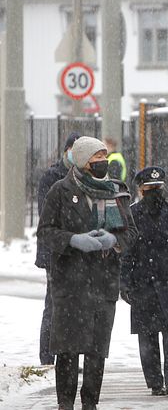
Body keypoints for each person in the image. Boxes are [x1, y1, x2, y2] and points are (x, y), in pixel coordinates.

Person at [37, 136, 138, 410]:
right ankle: (65, 404)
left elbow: (130, 232)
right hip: (70, 285)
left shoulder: (116, 191)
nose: (102, 163)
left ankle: (90, 403)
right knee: (68, 352)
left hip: (103, 285)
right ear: (83, 161)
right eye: (96, 158)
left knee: (96, 352)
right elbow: (45, 232)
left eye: (104, 157)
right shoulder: (60, 191)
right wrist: (72, 240)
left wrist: (114, 240)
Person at [120, 166, 168, 397]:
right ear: (141, 190)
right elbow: (127, 251)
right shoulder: (132, 214)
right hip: (144, 284)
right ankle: (154, 382)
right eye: (150, 188)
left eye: (158, 188)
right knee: (148, 336)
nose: (154, 192)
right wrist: (124, 282)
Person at [35, 132, 80, 366]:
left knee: (74, 306)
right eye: (74, 149)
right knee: (54, 304)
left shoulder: (83, 176)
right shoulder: (51, 177)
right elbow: (47, 216)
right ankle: (47, 356)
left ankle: (67, 356)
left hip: (75, 251)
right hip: (54, 250)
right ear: (66, 151)